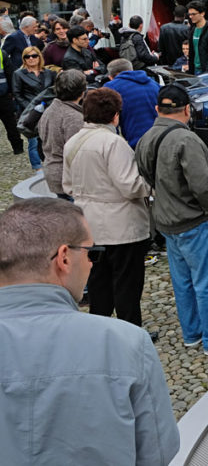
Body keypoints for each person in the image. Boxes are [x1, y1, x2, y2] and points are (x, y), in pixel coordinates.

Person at [0, 198, 179, 465]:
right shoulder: (126, 343)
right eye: (91, 253)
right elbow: (158, 454)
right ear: (63, 258)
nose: (93, 264)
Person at [135, 84, 208, 354]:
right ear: (187, 109)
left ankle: (193, 333)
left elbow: (145, 176)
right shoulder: (187, 140)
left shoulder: (145, 138)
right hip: (195, 220)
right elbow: (202, 185)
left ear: (157, 110)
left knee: (183, 282)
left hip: (167, 220)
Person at [62, 88, 152, 327]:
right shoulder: (113, 143)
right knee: (127, 285)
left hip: (89, 224)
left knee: (99, 285)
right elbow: (130, 185)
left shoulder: (73, 142)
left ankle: (99, 331)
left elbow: (68, 185)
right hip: (122, 225)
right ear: (115, 115)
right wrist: (150, 185)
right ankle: (130, 332)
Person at [38, 70, 86, 200]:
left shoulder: (50, 110)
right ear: (82, 92)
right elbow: (77, 154)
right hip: (68, 179)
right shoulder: (74, 118)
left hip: (55, 173)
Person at [13, 46, 53, 169]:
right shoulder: (19, 74)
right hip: (30, 112)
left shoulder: (48, 73)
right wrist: (31, 107)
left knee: (49, 138)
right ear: (24, 59)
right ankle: (37, 167)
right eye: (27, 56)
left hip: (48, 110)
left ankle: (49, 162)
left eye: (34, 55)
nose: (31, 58)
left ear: (39, 57)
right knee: (33, 141)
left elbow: (52, 90)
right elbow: (17, 94)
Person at [106, 58, 159, 148]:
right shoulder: (153, 83)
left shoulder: (111, 87)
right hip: (160, 138)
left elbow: (108, 122)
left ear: (110, 77)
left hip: (137, 143)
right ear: (131, 70)